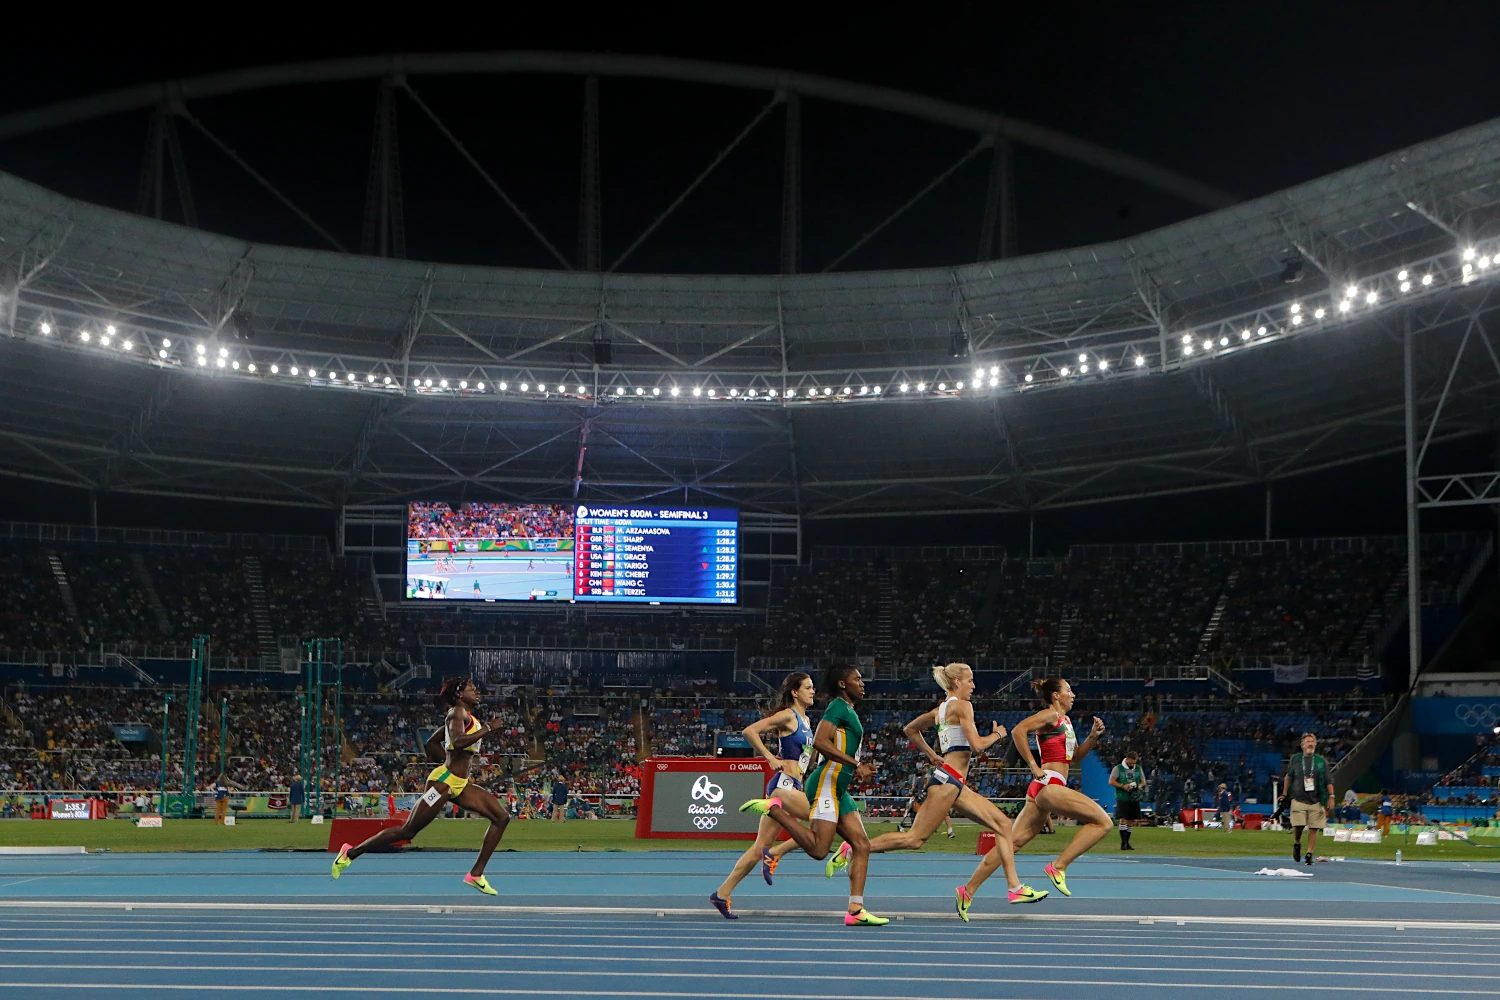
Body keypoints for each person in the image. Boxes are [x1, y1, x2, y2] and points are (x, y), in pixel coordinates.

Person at [855, 662, 1047, 919]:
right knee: (914, 839)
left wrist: (934, 755)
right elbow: (978, 746)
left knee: (1003, 824)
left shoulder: (941, 710)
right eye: (970, 681)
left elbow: (910, 729)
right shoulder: (961, 705)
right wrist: (998, 735)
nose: (974, 685)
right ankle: (856, 847)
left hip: (952, 780)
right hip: (948, 781)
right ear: (957, 682)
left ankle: (1005, 888)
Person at [332, 677, 512, 896]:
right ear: (458, 694)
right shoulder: (456, 713)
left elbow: (431, 744)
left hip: (459, 783)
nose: (476, 692)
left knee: (501, 817)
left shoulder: (466, 717)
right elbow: (457, 742)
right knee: (408, 830)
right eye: (471, 689)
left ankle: (475, 874)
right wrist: (487, 729)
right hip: (444, 783)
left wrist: (449, 763)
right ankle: (349, 853)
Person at [740, 665, 888, 926]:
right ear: (843, 684)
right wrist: (856, 765)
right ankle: (774, 808)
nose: (863, 683)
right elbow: (821, 743)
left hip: (838, 788)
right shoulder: (837, 708)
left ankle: (855, 910)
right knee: (820, 850)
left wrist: (858, 767)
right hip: (826, 783)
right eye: (857, 679)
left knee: (862, 845)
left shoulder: (849, 711)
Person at [962, 678, 1108, 900]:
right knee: (1103, 822)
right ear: (1056, 695)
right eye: (1068, 690)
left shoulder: (1066, 722)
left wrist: (1092, 737)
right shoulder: (1051, 715)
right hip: (1048, 784)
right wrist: (1033, 765)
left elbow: (1075, 756)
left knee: (1013, 843)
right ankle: (1058, 866)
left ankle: (967, 890)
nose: (1073, 695)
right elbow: (1019, 731)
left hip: (1045, 787)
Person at [710, 671, 816, 919]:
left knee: (760, 847)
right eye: (808, 687)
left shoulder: (807, 721)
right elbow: (749, 732)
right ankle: (775, 853)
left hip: (794, 786)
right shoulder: (788, 716)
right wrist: (769, 757)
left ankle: (722, 894)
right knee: (824, 822)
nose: (813, 691)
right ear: (795, 692)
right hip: (783, 785)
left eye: (813, 687)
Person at [1283, 732, 1334, 867]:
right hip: (1298, 799)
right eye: (1308, 741)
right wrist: (1284, 794)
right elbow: (1288, 777)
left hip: (1316, 800)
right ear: (1302, 745)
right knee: (1298, 826)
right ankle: (1297, 843)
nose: (1311, 744)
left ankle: (1309, 853)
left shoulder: (1320, 761)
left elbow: (1329, 780)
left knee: (1314, 828)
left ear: (1315, 744)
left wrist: (1332, 796)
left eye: (1313, 741)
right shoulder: (1295, 759)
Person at [1110, 751, 1145, 849]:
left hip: (1134, 798)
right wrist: (1123, 786)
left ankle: (1127, 843)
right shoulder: (1118, 768)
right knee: (1122, 819)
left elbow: (1143, 781)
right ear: (1127, 759)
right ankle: (1123, 843)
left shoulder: (1138, 769)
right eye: (1130, 763)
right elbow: (1111, 781)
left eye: (1134, 763)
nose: (1132, 765)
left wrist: (1139, 786)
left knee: (1131, 820)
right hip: (1122, 797)